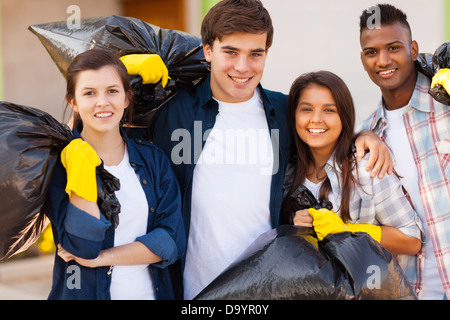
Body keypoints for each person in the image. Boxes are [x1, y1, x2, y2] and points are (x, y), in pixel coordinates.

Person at [120, 0, 393, 300]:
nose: (243, 67)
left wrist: (365, 137)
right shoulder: (174, 111)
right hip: (194, 289)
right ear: (208, 51)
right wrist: (120, 80)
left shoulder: (283, 110)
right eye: (231, 52)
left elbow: (324, 132)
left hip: (268, 289)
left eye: (255, 54)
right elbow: (109, 142)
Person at [42, 49, 186, 300]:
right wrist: (82, 168)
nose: (103, 102)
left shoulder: (153, 160)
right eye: (89, 93)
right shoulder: (60, 166)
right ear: (73, 102)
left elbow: (171, 241)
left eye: (112, 90)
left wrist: (104, 258)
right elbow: (81, 246)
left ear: (127, 98)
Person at [358, 4, 450, 299]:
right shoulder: (368, 135)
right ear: (363, 59)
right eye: (372, 52)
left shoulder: (446, 101)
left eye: (394, 48)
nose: (383, 60)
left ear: (413, 50)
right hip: (417, 291)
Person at [281, 70, 422, 261]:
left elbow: (411, 239)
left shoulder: (367, 169)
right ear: (294, 115)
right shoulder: (285, 174)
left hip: (362, 289)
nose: (315, 119)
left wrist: (346, 230)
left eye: (329, 110)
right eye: (306, 109)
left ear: (344, 117)